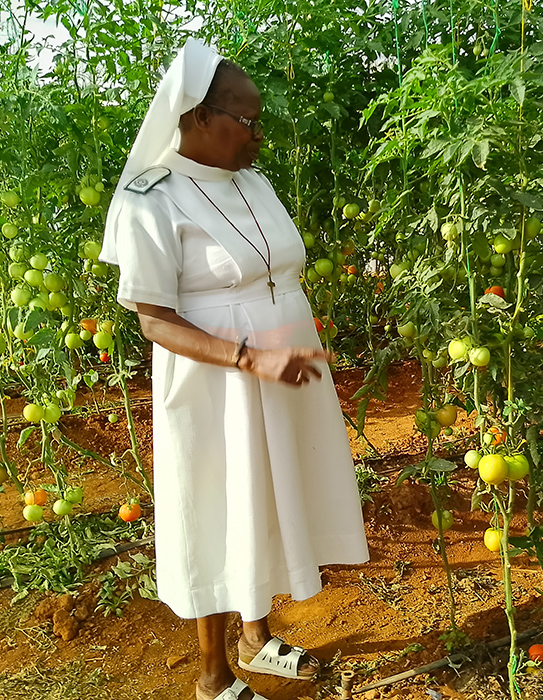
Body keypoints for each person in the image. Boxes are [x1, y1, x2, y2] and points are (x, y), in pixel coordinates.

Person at [99, 39, 370, 700]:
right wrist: (250, 356)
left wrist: (282, 345)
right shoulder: (151, 198)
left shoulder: (252, 180)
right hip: (216, 380)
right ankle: (213, 674)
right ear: (197, 117)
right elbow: (154, 318)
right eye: (246, 122)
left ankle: (257, 640)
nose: (258, 135)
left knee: (266, 500)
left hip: (280, 371)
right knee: (217, 508)